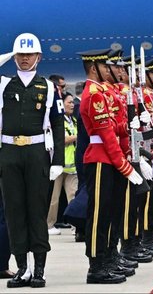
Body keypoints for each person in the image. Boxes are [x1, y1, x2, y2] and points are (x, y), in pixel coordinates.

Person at [0, 33, 65, 288]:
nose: (24, 59)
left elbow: (58, 125)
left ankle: (39, 269)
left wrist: (57, 159)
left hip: (37, 153)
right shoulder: (4, 85)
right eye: (20, 54)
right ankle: (22, 268)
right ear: (14, 56)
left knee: (36, 212)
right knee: (14, 212)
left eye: (29, 55)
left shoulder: (48, 88)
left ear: (38, 57)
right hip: (9, 153)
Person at [78, 49, 143, 284]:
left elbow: (115, 128)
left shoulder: (103, 92)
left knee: (111, 211)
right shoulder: (93, 94)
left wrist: (130, 127)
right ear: (93, 68)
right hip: (100, 159)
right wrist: (123, 164)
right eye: (105, 67)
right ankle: (96, 265)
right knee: (98, 215)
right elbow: (105, 134)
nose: (110, 71)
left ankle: (108, 257)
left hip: (109, 157)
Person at [47, 93, 78, 236]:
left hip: (72, 166)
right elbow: (61, 139)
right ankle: (49, 225)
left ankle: (76, 225)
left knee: (73, 196)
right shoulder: (58, 121)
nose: (72, 105)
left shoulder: (74, 121)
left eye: (73, 102)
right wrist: (78, 136)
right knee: (54, 198)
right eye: (69, 102)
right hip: (58, 165)